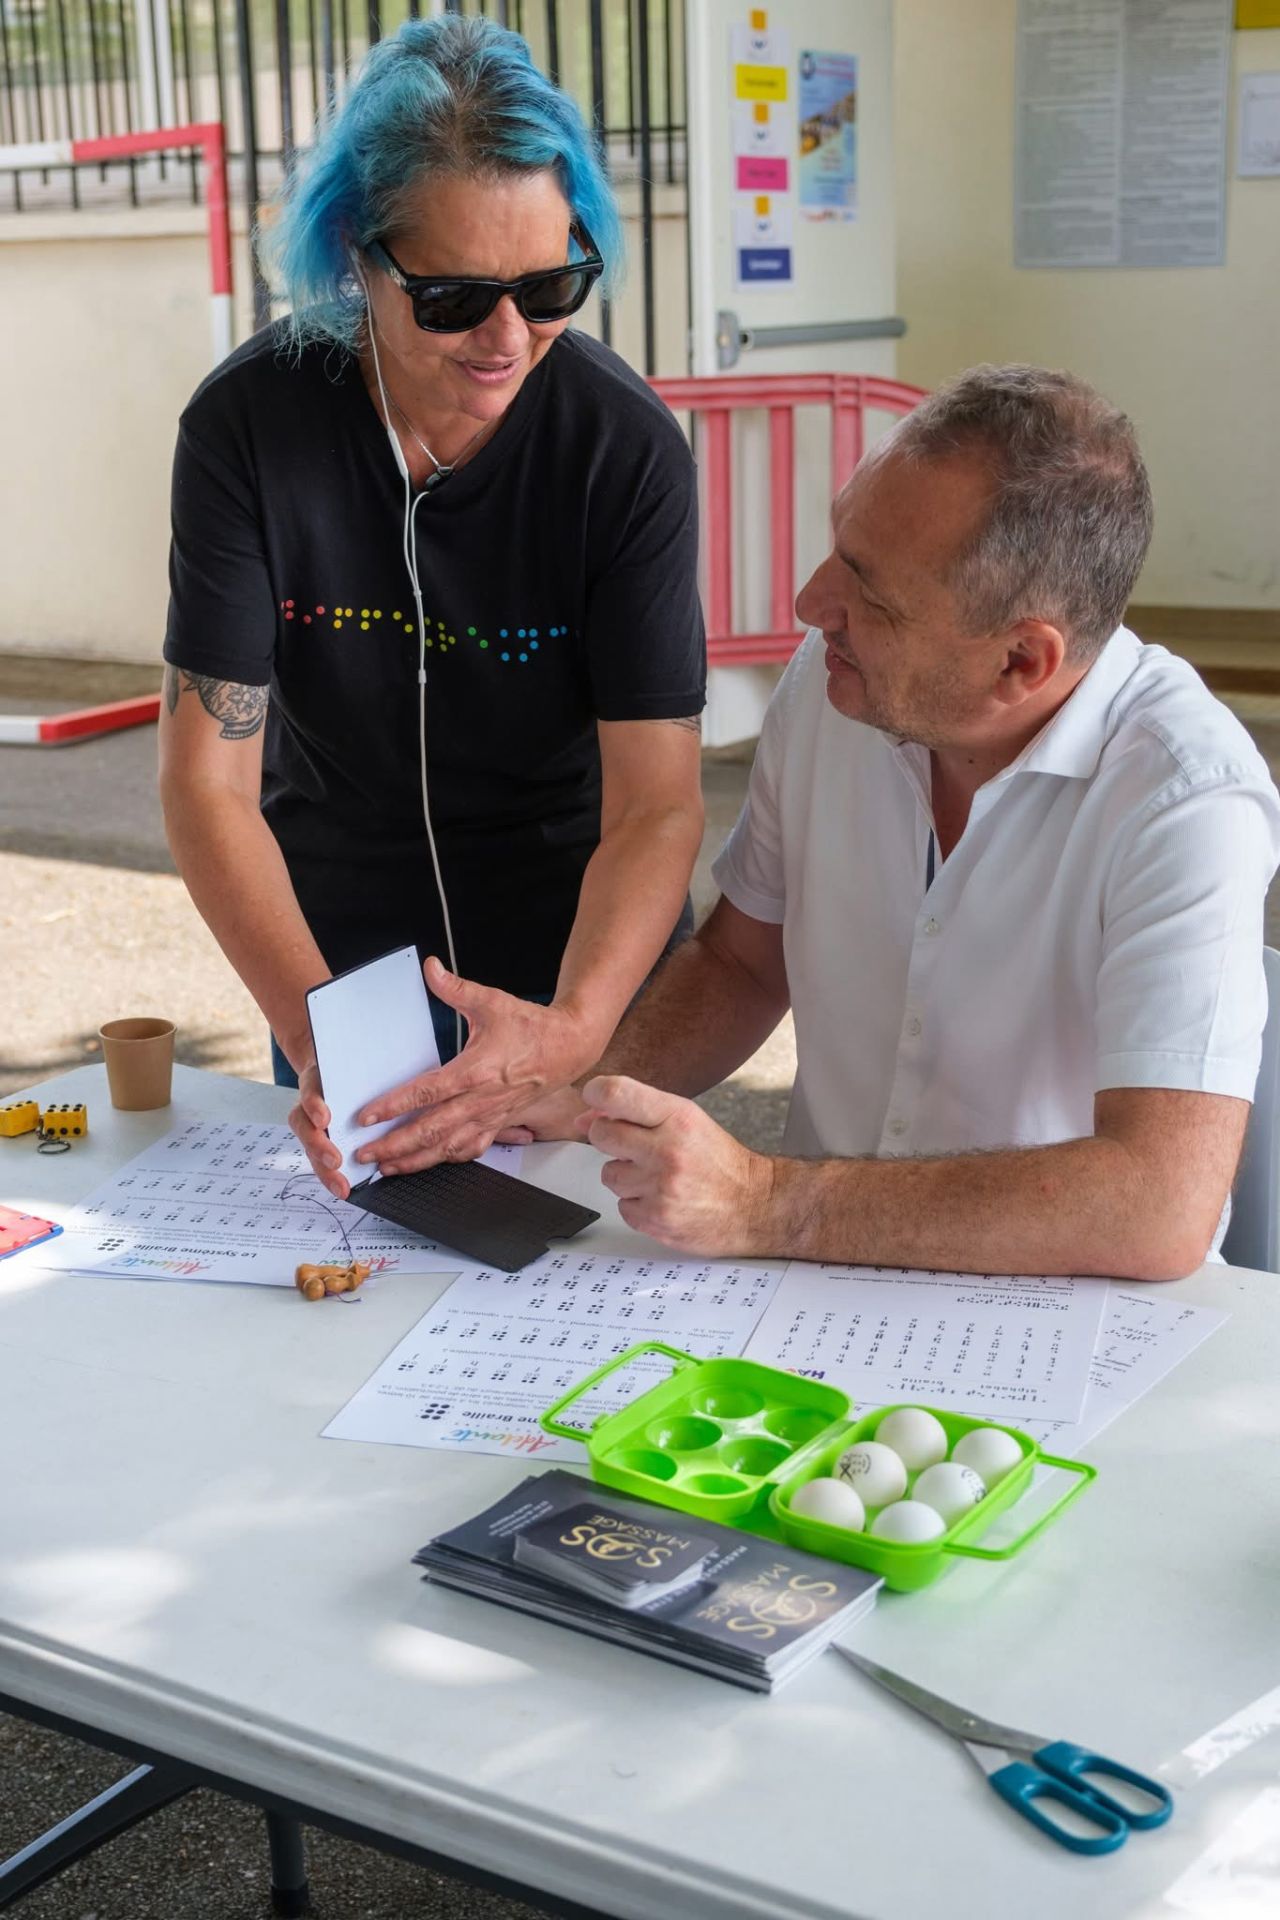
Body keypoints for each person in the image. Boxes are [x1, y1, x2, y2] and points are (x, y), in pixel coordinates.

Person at [522, 365, 1280, 1281]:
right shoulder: (837, 684)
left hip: (1061, 1309)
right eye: (839, 546)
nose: (810, 606)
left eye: (870, 597)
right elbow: (740, 963)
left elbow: (1156, 1204)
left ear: (1020, 662)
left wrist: (770, 1201)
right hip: (806, 1274)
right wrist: (563, 1091)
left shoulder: (1185, 797)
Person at [158, 15, 705, 1199]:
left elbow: (657, 805)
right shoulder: (247, 434)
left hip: (580, 954)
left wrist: (574, 1025)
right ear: (358, 258)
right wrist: (318, 1036)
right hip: (336, 967)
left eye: (553, 283)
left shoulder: (626, 453)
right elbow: (209, 783)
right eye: (455, 299)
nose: (510, 339)